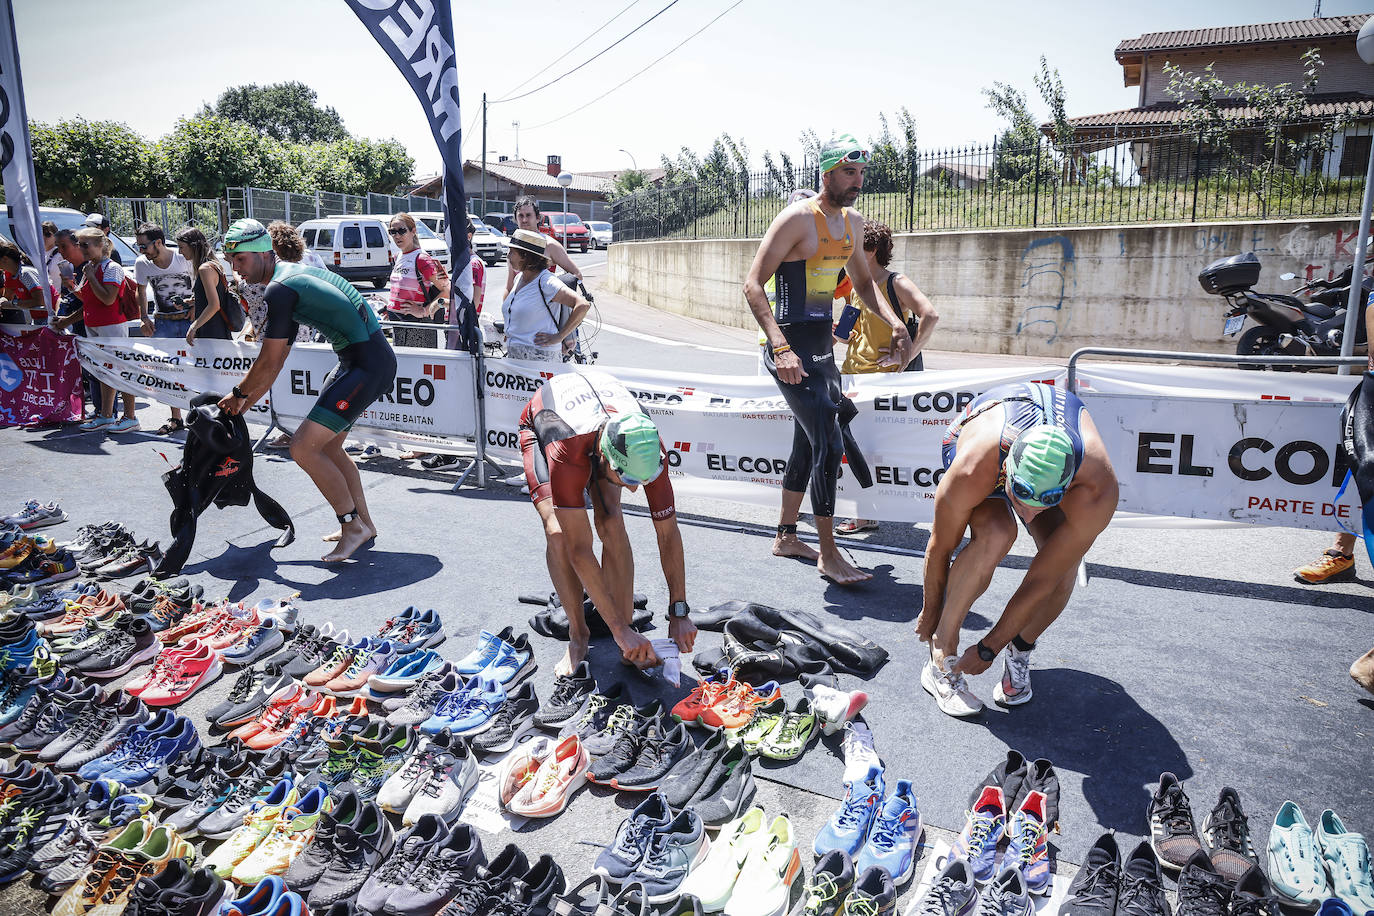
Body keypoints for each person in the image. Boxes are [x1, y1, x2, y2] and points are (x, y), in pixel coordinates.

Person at [742, 134, 913, 586]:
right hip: (790, 348)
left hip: (821, 349)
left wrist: (895, 322)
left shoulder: (853, 223)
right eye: (848, 172)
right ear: (827, 174)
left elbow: (864, 284)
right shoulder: (796, 219)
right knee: (829, 444)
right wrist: (780, 347)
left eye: (862, 173)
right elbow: (753, 284)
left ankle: (786, 537)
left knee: (807, 443)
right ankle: (829, 553)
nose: (858, 181)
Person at [916, 381, 1118, 718]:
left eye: (1044, 504)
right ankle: (941, 658)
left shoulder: (1098, 489)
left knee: (1063, 564)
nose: (1030, 515)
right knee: (997, 533)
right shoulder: (975, 467)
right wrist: (931, 612)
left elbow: (1042, 580)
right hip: (986, 439)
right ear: (1006, 473)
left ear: (1067, 486)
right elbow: (940, 546)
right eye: (1020, 500)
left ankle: (1020, 649)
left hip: (1040, 450)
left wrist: (990, 647)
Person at [216, 218, 396, 563]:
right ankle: (364, 525)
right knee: (328, 448)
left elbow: (269, 360)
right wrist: (243, 403)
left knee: (303, 448)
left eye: (240, 259)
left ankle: (352, 527)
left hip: (366, 366)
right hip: (358, 361)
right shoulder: (288, 277)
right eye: (231, 261)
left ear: (263, 253)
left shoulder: (280, 289)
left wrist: (239, 395)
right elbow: (276, 361)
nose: (236, 269)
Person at [519, 368, 696, 674]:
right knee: (558, 532)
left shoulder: (649, 448)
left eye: (643, 479)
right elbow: (579, 550)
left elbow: (668, 534)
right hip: (555, 427)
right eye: (628, 478)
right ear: (605, 459)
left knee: (612, 522)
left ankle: (628, 636)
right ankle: (578, 635)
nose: (634, 488)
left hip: (602, 425)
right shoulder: (565, 448)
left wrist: (679, 611)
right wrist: (617, 630)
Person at [836, 220, 940, 535]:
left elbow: (930, 315)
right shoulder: (856, 284)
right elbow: (849, 329)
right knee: (853, 449)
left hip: (880, 382)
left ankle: (866, 513)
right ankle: (865, 511)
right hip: (852, 376)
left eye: (856, 246)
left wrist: (906, 356)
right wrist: (840, 335)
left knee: (865, 451)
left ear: (872, 250)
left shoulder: (896, 282)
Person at [255, 222, 325, 451]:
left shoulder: (278, 270)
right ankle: (296, 430)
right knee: (300, 383)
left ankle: (290, 430)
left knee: (287, 382)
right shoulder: (312, 258)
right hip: (305, 327)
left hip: (284, 330)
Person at [64, 227, 140, 433]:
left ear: (100, 245)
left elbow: (107, 298)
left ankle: (130, 416)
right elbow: (89, 300)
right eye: (79, 244)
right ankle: (106, 415)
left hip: (111, 326)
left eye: (85, 244)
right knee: (104, 371)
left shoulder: (111, 267)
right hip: (95, 325)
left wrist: (91, 277)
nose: (81, 248)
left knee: (120, 370)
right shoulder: (91, 267)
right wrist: (72, 287)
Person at [133, 223, 195, 434]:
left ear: (158, 242)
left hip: (189, 321)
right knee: (168, 371)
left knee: (195, 368)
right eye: (139, 246)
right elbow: (140, 290)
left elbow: (200, 283)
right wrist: (143, 317)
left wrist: (195, 308)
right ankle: (176, 418)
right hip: (163, 322)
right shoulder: (142, 263)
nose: (142, 251)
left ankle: (200, 415)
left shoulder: (182, 258)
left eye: (144, 246)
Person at [502, 229, 589, 362]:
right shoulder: (519, 278)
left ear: (525, 256)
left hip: (540, 362)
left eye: (512, 252)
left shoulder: (546, 282)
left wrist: (559, 337)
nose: (508, 256)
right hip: (516, 360)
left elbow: (582, 305)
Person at [504, 196, 582, 298]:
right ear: (515, 219)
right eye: (520, 216)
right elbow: (509, 286)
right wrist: (506, 305)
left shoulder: (550, 245)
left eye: (528, 215)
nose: (524, 220)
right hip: (519, 303)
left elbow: (576, 275)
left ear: (538, 218)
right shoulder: (514, 247)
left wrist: (553, 289)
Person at [175, 228, 233, 346]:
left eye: (181, 247)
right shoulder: (211, 265)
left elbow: (214, 305)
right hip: (216, 332)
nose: (180, 252)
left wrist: (194, 327)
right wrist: (191, 302)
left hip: (213, 333)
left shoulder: (205, 269)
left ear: (193, 246)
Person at [0, 242, 53, 325]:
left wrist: (14, 303)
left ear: (5, 259)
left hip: (50, 318)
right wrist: (1, 302)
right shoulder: (9, 274)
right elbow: (7, 297)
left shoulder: (25, 273)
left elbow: (40, 301)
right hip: (36, 318)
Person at [42, 221, 63, 293]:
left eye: (47, 234)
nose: (43, 237)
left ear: (55, 236)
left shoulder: (60, 255)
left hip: (56, 296)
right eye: (40, 234)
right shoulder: (38, 255)